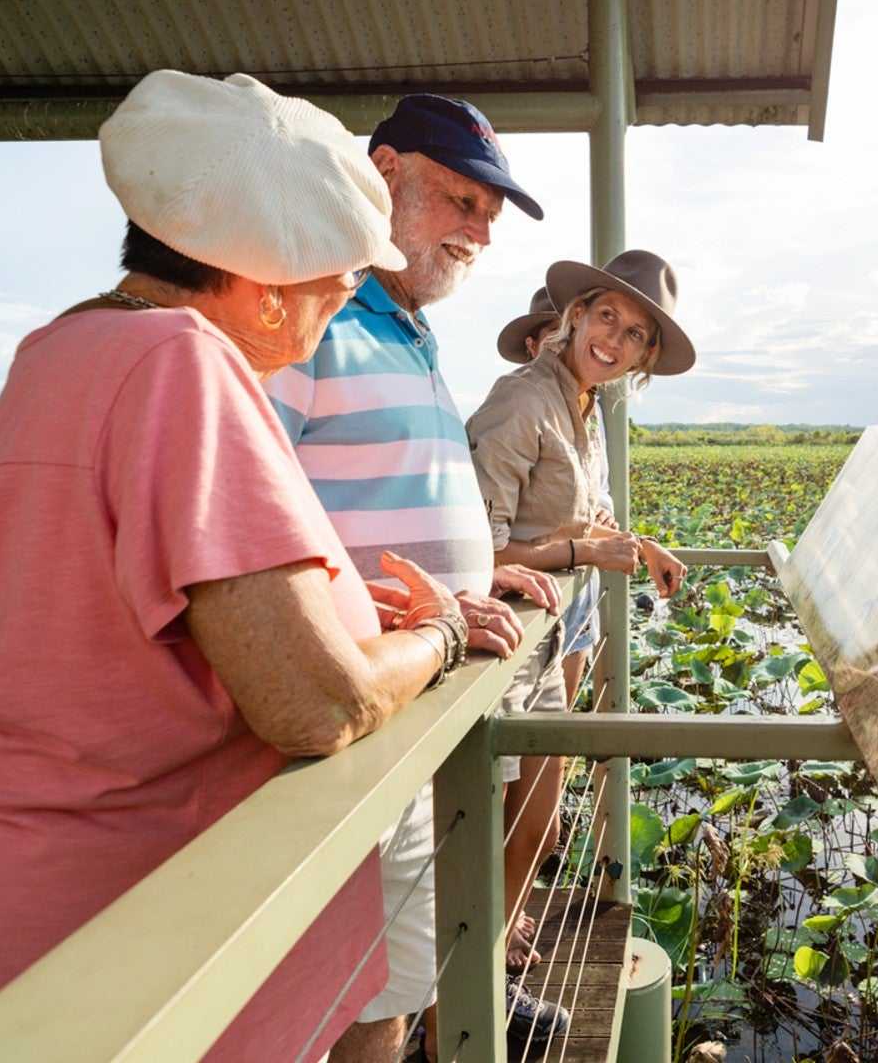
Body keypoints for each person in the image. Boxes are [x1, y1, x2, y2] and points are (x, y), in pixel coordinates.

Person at [0, 72, 471, 1062]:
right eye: (337, 290)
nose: (329, 320)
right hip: (91, 951)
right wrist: (438, 637)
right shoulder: (187, 363)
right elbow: (318, 704)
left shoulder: (58, 349)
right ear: (267, 289)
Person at [262, 93, 559, 1063]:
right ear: (382, 171)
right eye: (456, 200)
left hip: (405, 704)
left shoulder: (405, 324)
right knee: (341, 1002)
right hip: (335, 726)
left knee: (384, 987)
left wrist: (473, 587)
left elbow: (385, 496)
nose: (477, 230)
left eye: (488, 214)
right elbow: (246, 517)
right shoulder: (299, 316)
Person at [466, 250, 696, 1027]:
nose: (616, 339)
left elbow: (582, 519)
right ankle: (464, 1007)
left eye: (635, 334)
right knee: (498, 821)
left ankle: (491, 966)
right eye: (607, 318)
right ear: (573, 317)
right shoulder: (521, 402)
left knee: (544, 816)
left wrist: (638, 545)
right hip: (502, 642)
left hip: (547, 633)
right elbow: (477, 550)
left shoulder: (584, 405)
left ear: (644, 359)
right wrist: (582, 555)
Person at [496, 287, 618, 714]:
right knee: (511, 763)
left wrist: (625, 539)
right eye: (555, 335)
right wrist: (588, 547)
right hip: (519, 614)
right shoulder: (521, 402)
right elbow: (490, 545)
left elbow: (587, 502)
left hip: (572, 598)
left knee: (557, 729)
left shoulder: (590, 409)